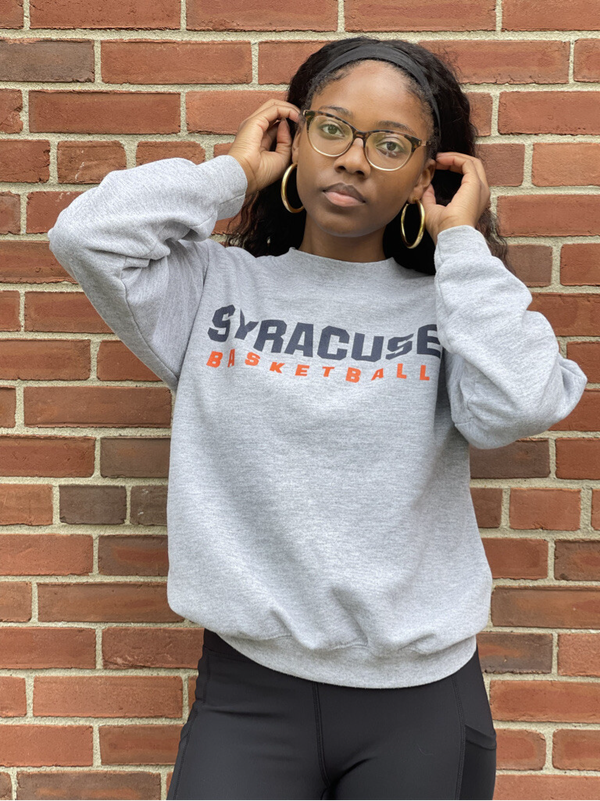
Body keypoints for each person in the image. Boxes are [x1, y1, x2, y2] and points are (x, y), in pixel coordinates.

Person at [47, 36, 588, 801]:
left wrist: (461, 242)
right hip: (249, 692)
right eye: (332, 129)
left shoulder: (451, 310)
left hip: (419, 699)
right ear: (295, 136)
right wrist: (233, 174)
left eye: (390, 144)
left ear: (426, 175)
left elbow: (526, 398)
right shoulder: (213, 289)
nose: (354, 160)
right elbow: (84, 235)